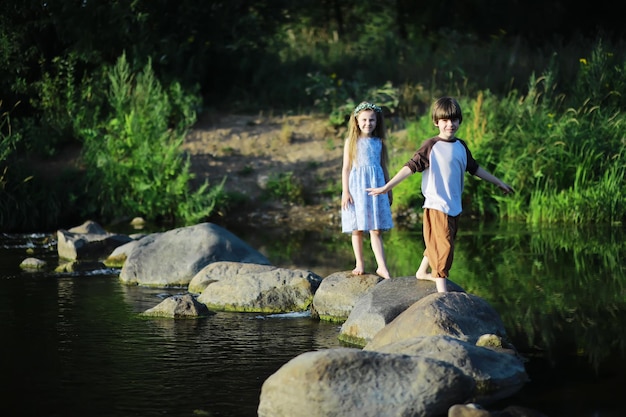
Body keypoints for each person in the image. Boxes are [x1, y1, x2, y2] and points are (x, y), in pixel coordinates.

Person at [367, 96, 514, 292]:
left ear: (459, 121)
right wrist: (387, 187)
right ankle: (442, 291)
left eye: (454, 120)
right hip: (437, 205)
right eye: (444, 120)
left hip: (454, 206)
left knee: (442, 241)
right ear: (436, 122)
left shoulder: (461, 146)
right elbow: (410, 168)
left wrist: (499, 182)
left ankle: (421, 271)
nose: (450, 124)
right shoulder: (431, 146)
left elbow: (475, 168)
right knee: (444, 247)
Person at [341, 101, 394, 279]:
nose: (368, 123)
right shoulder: (351, 142)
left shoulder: (379, 142)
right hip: (356, 189)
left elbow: (383, 167)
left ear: (377, 121)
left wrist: (389, 189)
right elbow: (346, 168)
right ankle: (360, 263)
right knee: (357, 228)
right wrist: (345, 191)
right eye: (364, 120)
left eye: (372, 120)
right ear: (356, 121)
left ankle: (382, 266)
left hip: (375, 188)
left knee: (375, 228)